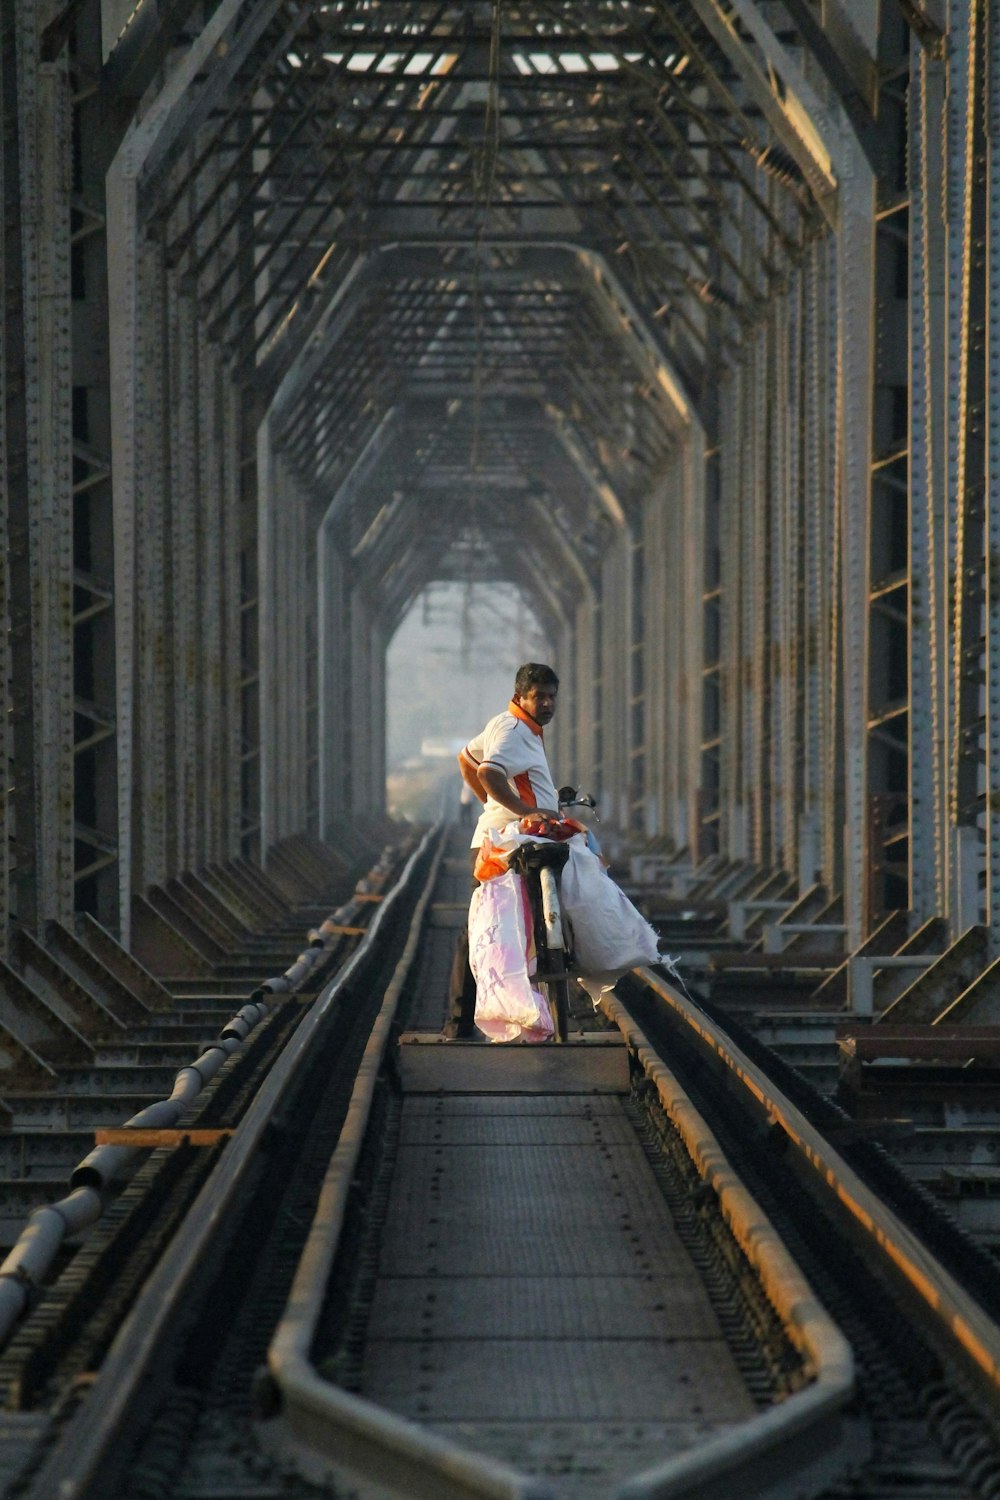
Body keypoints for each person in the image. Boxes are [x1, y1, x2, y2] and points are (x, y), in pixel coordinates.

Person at [444, 663, 561, 1037]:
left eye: (551, 696)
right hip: (506, 847)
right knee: (489, 929)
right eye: (538, 696)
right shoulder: (513, 730)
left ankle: (499, 1013)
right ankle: (463, 1021)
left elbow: (466, 757)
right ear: (520, 697)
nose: (546, 704)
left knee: (505, 926)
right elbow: (486, 771)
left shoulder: (508, 724)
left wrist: (491, 807)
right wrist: (523, 811)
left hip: (509, 839)